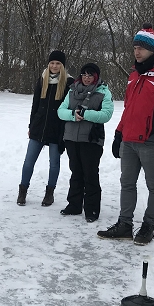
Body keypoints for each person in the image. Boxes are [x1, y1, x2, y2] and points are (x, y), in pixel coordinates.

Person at [98, 24, 154, 245]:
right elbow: (129, 108)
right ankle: (125, 225)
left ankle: (148, 226)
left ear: (152, 49)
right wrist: (118, 133)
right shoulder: (133, 75)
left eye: (141, 48)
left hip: (152, 142)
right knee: (127, 183)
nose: (137, 52)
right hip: (129, 141)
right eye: (135, 47)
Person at [57, 62, 113, 222]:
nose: (87, 78)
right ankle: (74, 205)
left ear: (96, 77)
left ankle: (92, 209)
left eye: (90, 75)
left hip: (91, 139)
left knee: (90, 174)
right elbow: (61, 111)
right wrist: (72, 115)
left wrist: (86, 114)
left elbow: (106, 114)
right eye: (84, 75)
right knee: (76, 172)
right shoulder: (72, 90)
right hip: (71, 138)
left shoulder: (103, 92)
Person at [17, 50, 73, 207]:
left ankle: (49, 193)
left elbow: (69, 107)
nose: (54, 66)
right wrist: (31, 125)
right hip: (39, 127)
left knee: (54, 163)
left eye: (58, 63)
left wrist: (64, 131)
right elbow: (35, 104)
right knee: (28, 162)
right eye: (52, 63)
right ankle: (22, 191)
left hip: (56, 129)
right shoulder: (42, 79)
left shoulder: (69, 83)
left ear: (62, 66)